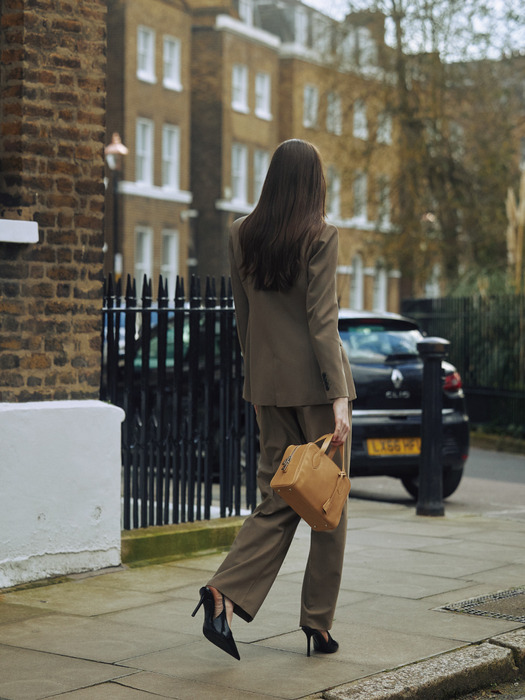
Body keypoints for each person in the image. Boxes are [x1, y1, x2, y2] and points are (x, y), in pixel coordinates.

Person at [192, 138, 356, 660]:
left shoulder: (241, 233)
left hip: (267, 388)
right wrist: (341, 397)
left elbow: (244, 318)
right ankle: (317, 625)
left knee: (280, 496)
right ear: (313, 183)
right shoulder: (321, 236)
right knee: (327, 504)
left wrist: (260, 379)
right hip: (314, 389)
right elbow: (322, 322)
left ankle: (225, 592)